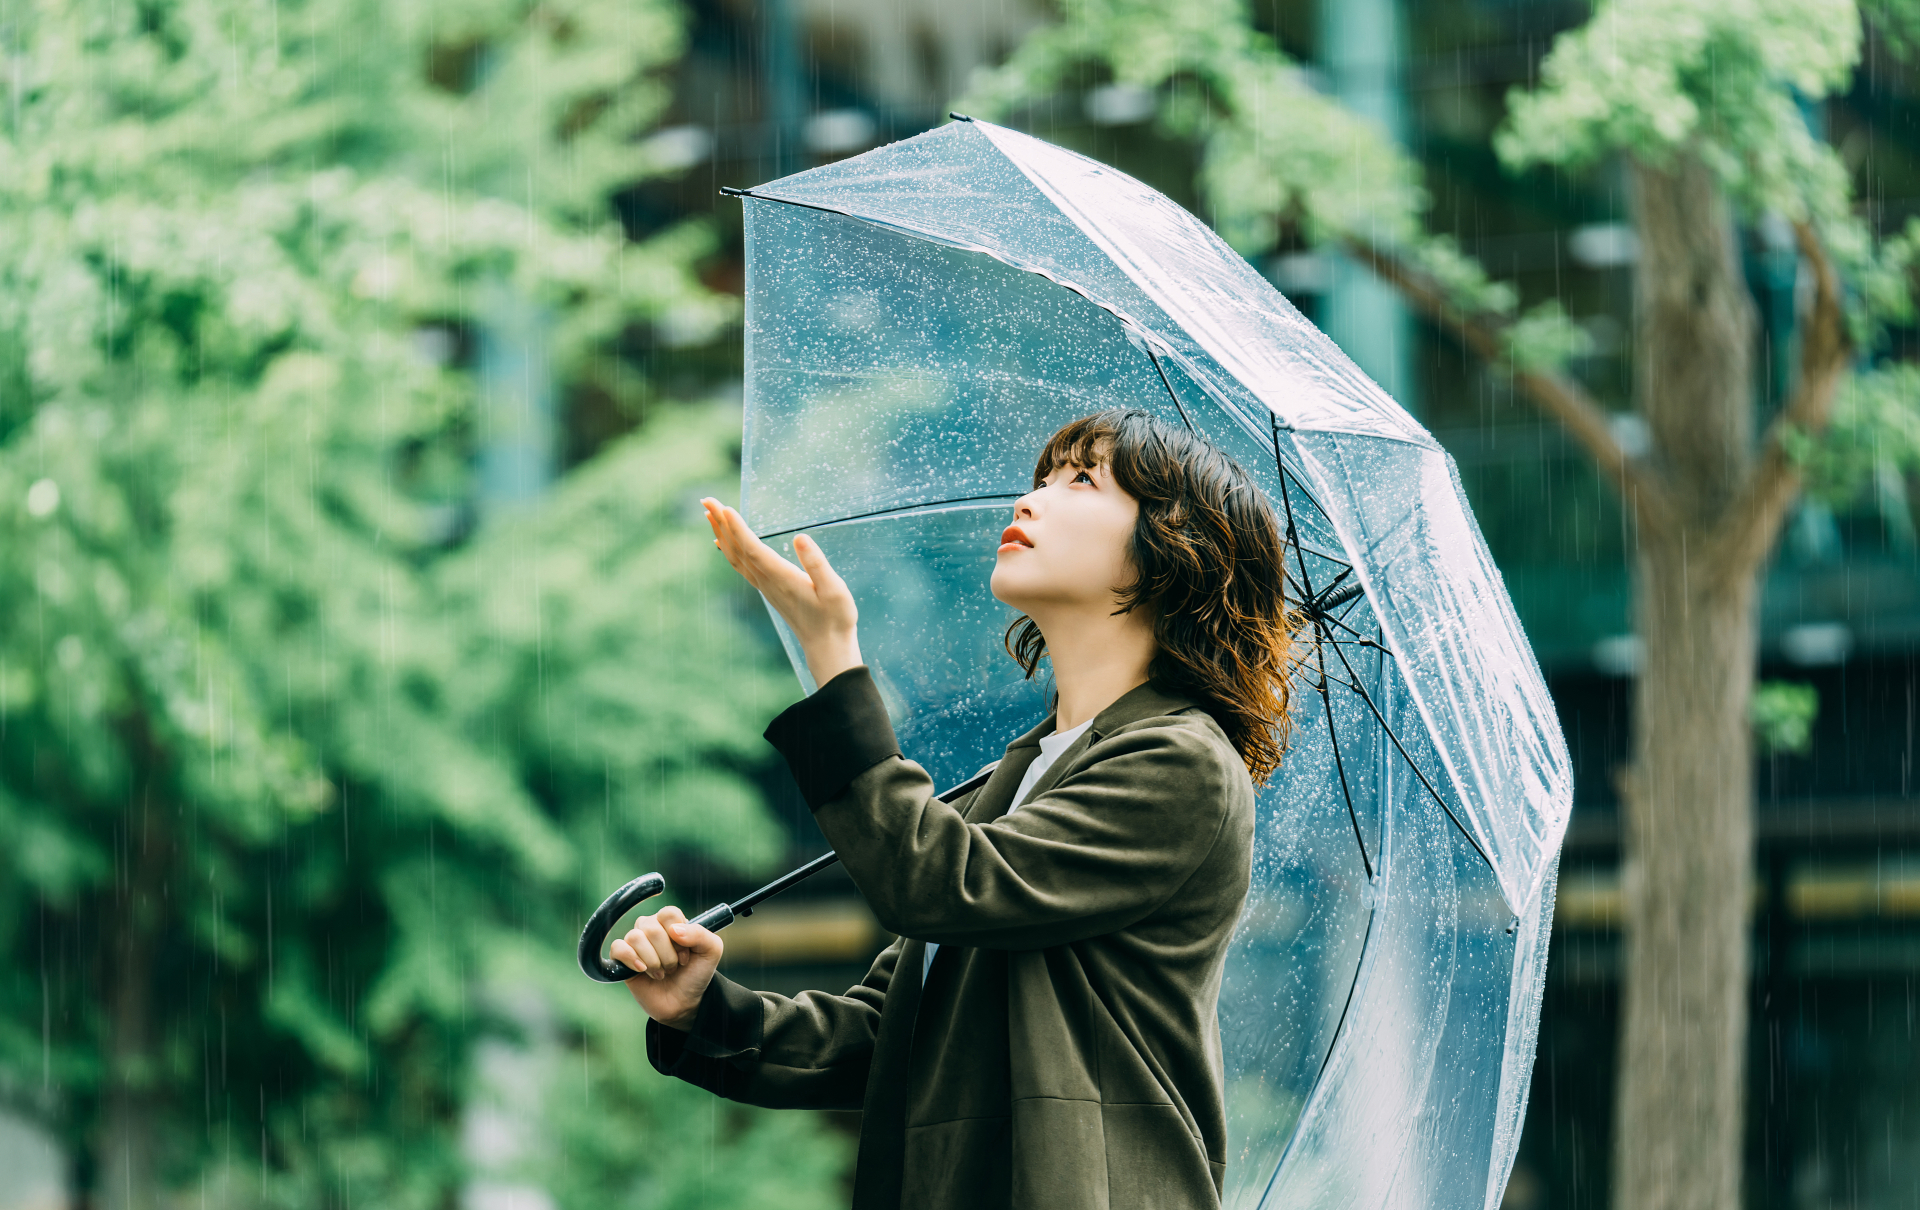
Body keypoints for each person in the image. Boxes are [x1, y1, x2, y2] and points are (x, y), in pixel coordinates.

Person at [613, 408, 1297, 1210]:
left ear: (1173, 548)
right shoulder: (1019, 778)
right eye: (1043, 477)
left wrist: (833, 655)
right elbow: (889, 1034)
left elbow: (938, 884)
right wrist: (700, 1011)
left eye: (1082, 480)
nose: (1032, 499)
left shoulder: (1182, 763)